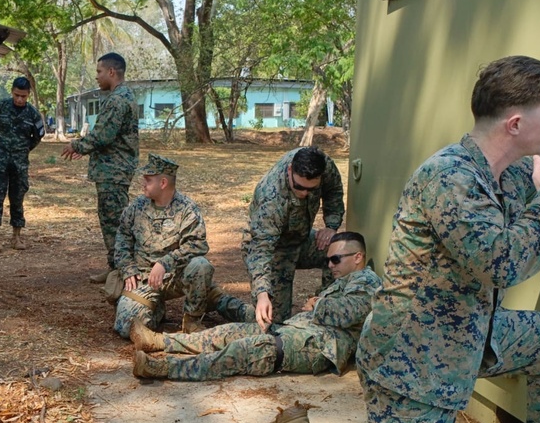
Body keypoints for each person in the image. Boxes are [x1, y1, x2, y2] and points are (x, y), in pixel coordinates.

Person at [260, 55, 540, 423]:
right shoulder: (451, 177)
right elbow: (502, 262)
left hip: (471, 333)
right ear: (516, 122)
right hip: (413, 359)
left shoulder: (509, 169)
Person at [131, 232, 380, 380]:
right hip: (293, 333)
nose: (330, 265)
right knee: (228, 332)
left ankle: (161, 367)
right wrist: (319, 305)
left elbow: (349, 313)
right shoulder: (345, 280)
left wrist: (318, 304)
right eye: (328, 260)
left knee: (241, 351)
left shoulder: (367, 281)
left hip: (313, 346)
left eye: (336, 259)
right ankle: (159, 342)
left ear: (357, 257)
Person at [113, 153, 250, 339]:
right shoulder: (137, 207)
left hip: (176, 276)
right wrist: (128, 268)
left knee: (201, 265)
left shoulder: (186, 209)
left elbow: (197, 244)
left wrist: (165, 262)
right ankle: (157, 306)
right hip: (144, 278)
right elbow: (122, 239)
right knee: (126, 327)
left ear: (163, 183)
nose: (142, 183)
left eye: (148, 180)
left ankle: (193, 318)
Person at [242, 146, 345, 327]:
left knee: (338, 251)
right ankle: (223, 303)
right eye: (299, 187)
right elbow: (261, 250)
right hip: (274, 249)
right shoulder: (271, 198)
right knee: (274, 323)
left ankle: (324, 306)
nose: (304, 193)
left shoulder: (325, 165)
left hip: (301, 239)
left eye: (311, 189)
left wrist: (331, 226)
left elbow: (334, 191)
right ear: (290, 170)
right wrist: (262, 293)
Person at [61, 53, 139, 282]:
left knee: (114, 221)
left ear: (111, 72)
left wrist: (77, 145)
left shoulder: (117, 99)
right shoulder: (123, 95)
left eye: (99, 72)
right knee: (113, 219)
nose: (97, 77)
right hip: (114, 168)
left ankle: (122, 271)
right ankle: (115, 266)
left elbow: (103, 135)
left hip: (113, 170)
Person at [0, 76, 45, 252]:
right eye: (17, 95)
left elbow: (38, 136)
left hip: (20, 162)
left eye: (23, 96)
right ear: (12, 91)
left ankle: (16, 236)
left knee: (17, 198)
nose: (20, 99)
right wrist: (2, 147)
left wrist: (23, 150)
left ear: (28, 95)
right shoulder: (0, 107)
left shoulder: (33, 114)